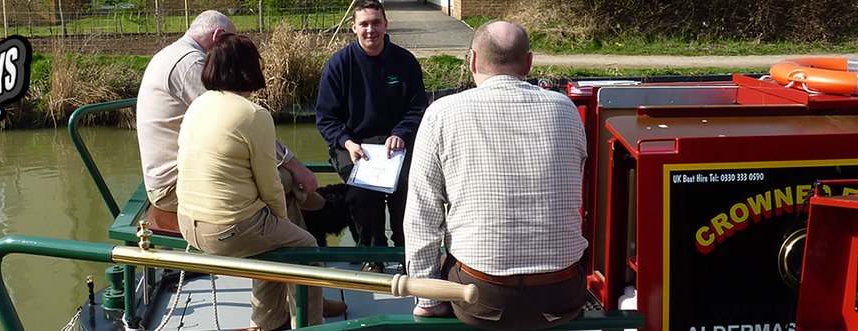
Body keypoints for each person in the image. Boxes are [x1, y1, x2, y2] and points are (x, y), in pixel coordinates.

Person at [136, 10, 344, 320]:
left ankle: (275, 313)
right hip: (189, 197)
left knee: (279, 214)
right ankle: (306, 309)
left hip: (190, 199)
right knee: (300, 238)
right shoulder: (221, 88)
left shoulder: (192, 86)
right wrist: (283, 207)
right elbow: (266, 177)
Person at [403, 21, 589, 330]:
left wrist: (428, 300)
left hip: (480, 296)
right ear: (529, 63)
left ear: (472, 60)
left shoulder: (441, 113)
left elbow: (421, 217)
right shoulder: (565, 109)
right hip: (560, 294)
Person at [175, 33, 325, 331]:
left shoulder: (199, 105)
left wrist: (276, 226)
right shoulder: (254, 115)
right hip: (228, 228)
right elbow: (269, 184)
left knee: (272, 237)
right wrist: (283, 221)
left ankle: (269, 320)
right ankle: (310, 324)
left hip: (188, 223)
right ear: (250, 68)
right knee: (304, 246)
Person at [136, 10, 319, 232]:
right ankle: (295, 248)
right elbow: (235, 120)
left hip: (173, 178)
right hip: (176, 188)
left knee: (275, 175)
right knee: (282, 177)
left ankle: (300, 223)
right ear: (218, 36)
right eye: (231, 41)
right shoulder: (191, 65)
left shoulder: (172, 54)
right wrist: (295, 165)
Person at [315, 0, 427, 273]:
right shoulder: (339, 65)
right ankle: (372, 253)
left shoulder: (405, 62)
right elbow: (326, 118)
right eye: (363, 24)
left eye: (376, 23)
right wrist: (347, 142)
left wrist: (401, 133)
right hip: (353, 143)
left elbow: (417, 108)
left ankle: (405, 251)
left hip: (395, 143)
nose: (370, 30)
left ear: (386, 24)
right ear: (353, 27)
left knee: (406, 189)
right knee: (362, 193)